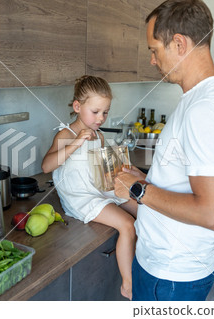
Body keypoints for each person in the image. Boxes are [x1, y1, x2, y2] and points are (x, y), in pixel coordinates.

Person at [114, 0, 214, 301]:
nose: (152, 59)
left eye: (154, 49)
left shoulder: (206, 109)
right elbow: (182, 178)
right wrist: (142, 179)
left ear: (179, 44)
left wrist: (136, 188)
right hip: (167, 268)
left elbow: (212, 213)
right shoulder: (200, 100)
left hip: (172, 276)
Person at [42, 75, 137, 300]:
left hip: (98, 189)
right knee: (127, 224)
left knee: (146, 211)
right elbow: (46, 166)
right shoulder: (66, 134)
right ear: (77, 106)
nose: (101, 117)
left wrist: (120, 169)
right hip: (80, 197)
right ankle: (128, 284)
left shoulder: (100, 136)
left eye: (105, 112)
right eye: (95, 112)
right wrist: (76, 143)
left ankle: (140, 263)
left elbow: (100, 170)